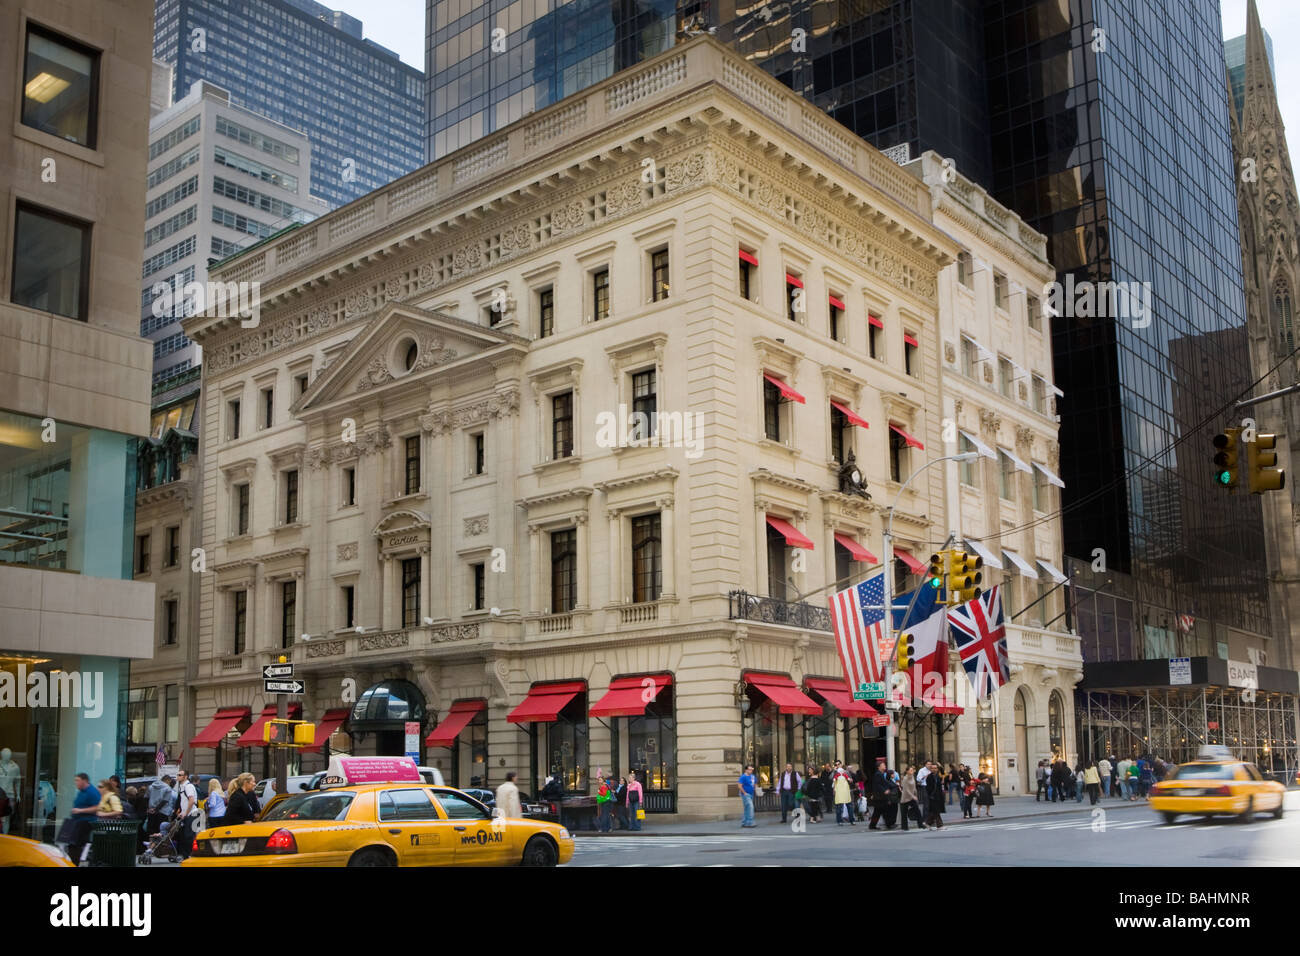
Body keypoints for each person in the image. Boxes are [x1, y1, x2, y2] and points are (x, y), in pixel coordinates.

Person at [63, 773, 100, 865]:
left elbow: (97, 807)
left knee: (75, 844)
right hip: (76, 821)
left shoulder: (92, 792)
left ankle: (74, 863)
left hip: (85, 822)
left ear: (85, 781)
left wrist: (80, 810)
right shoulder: (81, 791)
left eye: (77, 780)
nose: (76, 782)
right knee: (68, 842)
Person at [173, 770, 200, 858]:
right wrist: (182, 813)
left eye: (180, 775)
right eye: (178, 775)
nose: (178, 776)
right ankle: (186, 856)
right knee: (185, 836)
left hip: (192, 814)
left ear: (186, 776)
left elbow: (191, 801)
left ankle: (190, 856)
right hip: (188, 814)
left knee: (189, 836)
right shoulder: (182, 787)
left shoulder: (188, 786)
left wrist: (186, 813)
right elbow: (184, 802)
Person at [899, 766, 925, 831]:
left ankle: (920, 825)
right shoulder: (905, 779)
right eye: (910, 770)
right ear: (907, 771)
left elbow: (914, 788)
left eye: (912, 770)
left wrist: (916, 795)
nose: (912, 771)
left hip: (911, 798)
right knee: (904, 813)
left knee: (917, 811)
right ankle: (904, 827)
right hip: (905, 798)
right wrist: (913, 796)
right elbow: (906, 790)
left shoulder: (913, 777)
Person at [923, 761, 945, 829]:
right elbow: (928, 788)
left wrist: (940, 765)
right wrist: (930, 794)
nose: (934, 769)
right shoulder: (929, 777)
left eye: (935, 768)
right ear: (930, 769)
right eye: (932, 768)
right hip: (932, 796)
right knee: (936, 811)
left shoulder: (938, 776)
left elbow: (943, 772)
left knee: (934, 811)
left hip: (938, 795)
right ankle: (940, 825)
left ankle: (927, 823)